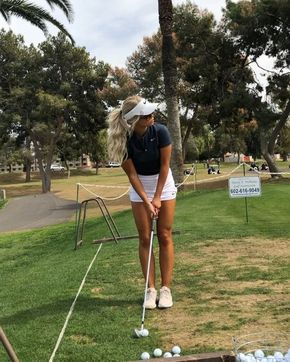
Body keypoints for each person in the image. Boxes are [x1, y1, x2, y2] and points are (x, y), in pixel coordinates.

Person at [107, 95, 177, 309]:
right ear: (135, 121)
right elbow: (133, 176)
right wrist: (146, 201)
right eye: (147, 115)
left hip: (162, 183)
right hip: (139, 187)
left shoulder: (161, 132)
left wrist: (156, 198)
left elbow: (165, 167)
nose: (152, 116)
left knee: (164, 234)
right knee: (145, 237)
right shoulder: (122, 140)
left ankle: (165, 290)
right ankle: (150, 289)